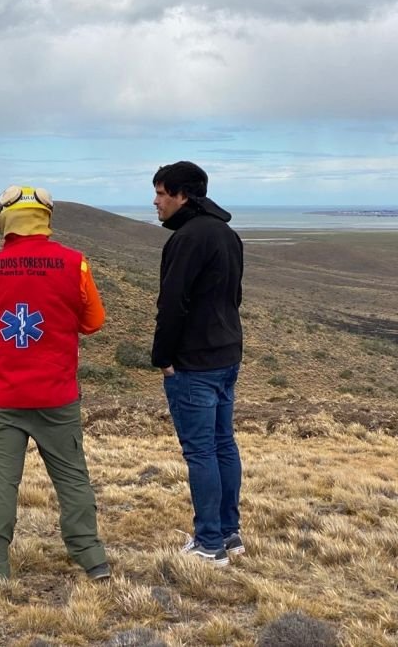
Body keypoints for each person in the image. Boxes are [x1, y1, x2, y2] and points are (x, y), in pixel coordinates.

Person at [0, 185, 110, 588]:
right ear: (46, 218)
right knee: (73, 479)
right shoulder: (75, 265)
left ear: (5, 220)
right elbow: (93, 322)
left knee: (1, 487)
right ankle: (92, 558)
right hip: (58, 397)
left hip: (2, 401)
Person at [151, 161, 245, 566]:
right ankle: (229, 533)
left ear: (182, 196)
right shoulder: (227, 234)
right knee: (223, 444)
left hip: (194, 363)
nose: (155, 202)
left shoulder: (186, 239)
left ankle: (210, 545)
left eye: (161, 193)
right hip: (227, 354)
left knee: (201, 451)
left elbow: (172, 304)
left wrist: (164, 358)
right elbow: (233, 297)